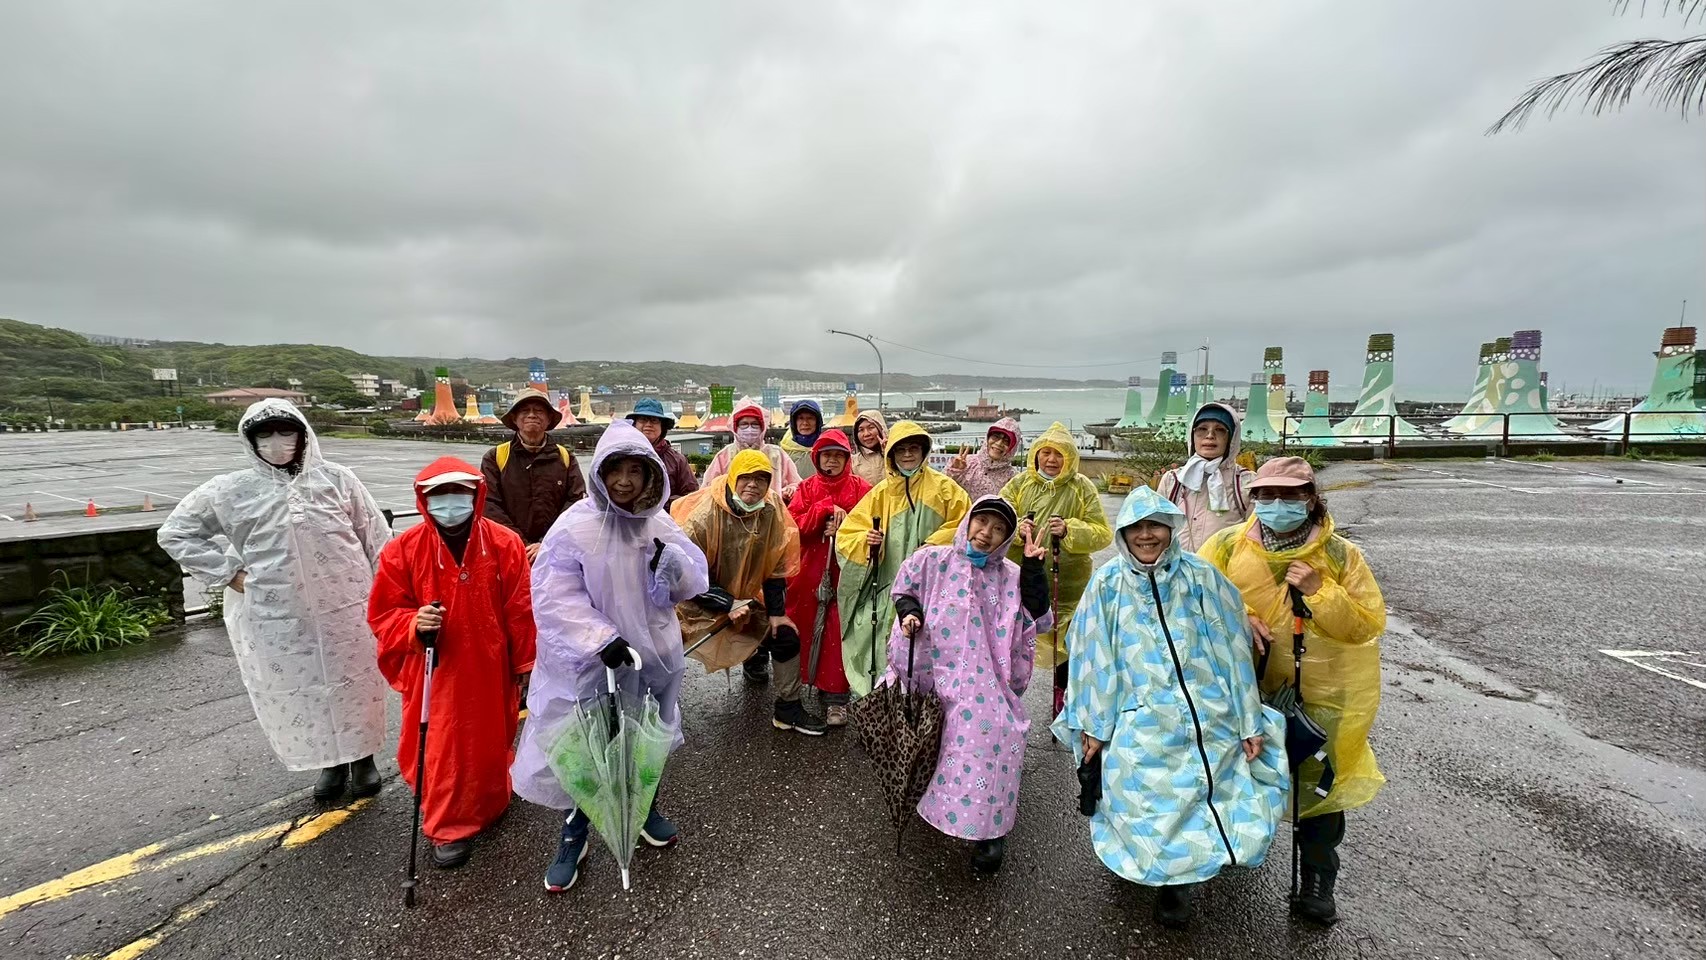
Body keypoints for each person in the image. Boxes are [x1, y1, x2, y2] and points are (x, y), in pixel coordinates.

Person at [1053, 487, 1287, 928]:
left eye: (1155, 526)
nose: (1146, 536)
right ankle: (1158, 875)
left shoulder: (1202, 577)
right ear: (1123, 533)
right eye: (1136, 527)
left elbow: (1233, 650)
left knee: (1208, 793)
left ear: (1170, 528)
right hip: (1139, 714)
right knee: (1147, 800)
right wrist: (1094, 725)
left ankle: (1182, 880)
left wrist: (1247, 718)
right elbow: (1089, 659)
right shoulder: (1106, 585)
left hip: (1206, 710)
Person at [157, 399, 390, 801]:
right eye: (265, 435)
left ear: (303, 436)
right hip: (277, 615)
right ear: (250, 441)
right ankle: (328, 763)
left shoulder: (338, 479)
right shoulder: (230, 490)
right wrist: (230, 575)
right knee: (299, 688)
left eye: (286, 432)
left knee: (356, 681)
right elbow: (176, 532)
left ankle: (363, 758)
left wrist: (391, 593)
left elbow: (376, 536)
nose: (277, 442)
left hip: (348, 605)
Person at [512, 421, 710, 892]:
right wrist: (599, 638)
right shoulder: (574, 526)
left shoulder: (659, 523)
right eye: (614, 469)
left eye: (635, 471)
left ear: (650, 475)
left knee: (645, 742)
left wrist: (672, 567)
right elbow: (554, 594)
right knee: (587, 748)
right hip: (591, 666)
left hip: (652, 659)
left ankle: (644, 810)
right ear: (600, 471)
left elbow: (689, 584)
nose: (624, 481)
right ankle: (574, 833)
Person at [1199, 456, 1385, 926]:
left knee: (1317, 790)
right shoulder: (1224, 545)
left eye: (1289, 495)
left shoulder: (1340, 555)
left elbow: (1365, 625)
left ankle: (1318, 881)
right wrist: (1237, 614)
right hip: (1240, 688)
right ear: (1253, 498)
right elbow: (1196, 600)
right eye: (1266, 495)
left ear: (1310, 499)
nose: (1276, 504)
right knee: (1230, 772)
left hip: (1320, 692)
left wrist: (1322, 591)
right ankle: (1227, 848)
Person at [368, 459, 537, 869]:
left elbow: (521, 607)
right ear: (424, 500)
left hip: (491, 666)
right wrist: (413, 624)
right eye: (439, 494)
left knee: (492, 738)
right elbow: (384, 613)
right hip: (437, 670)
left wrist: (526, 662)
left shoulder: (504, 543)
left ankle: (490, 800)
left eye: (459, 491)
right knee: (442, 746)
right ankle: (448, 825)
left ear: (476, 494)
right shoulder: (401, 550)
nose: (450, 501)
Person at [888, 497, 1050, 873]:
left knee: (994, 739)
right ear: (968, 521)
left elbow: (1038, 618)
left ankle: (989, 832)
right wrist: (910, 614)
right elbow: (904, 590)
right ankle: (929, 802)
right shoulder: (933, 560)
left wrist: (1034, 572)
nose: (986, 533)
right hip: (929, 671)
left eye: (998, 529)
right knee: (925, 739)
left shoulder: (1011, 574)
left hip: (983, 682)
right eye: (982, 522)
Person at [671, 450, 821, 734]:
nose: (753, 484)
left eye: (761, 479)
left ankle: (788, 709)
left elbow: (777, 565)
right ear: (733, 479)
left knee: (785, 635)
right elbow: (683, 574)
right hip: (694, 604)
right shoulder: (704, 516)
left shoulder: (771, 508)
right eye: (746, 478)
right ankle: (654, 710)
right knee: (662, 650)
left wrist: (777, 614)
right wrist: (726, 602)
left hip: (746, 602)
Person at [834, 421, 971, 697]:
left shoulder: (946, 489)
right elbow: (848, 535)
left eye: (913, 448)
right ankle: (884, 708)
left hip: (936, 590)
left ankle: (926, 711)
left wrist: (933, 545)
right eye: (901, 450)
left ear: (923, 451)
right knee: (882, 649)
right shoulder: (881, 494)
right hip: (887, 588)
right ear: (892, 455)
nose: (908, 455)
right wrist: (868, 542)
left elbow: (966, 526)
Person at [996, 421, 1113, 716]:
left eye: (1058, 454)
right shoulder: (1019, 484)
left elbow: (1102, 532)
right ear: (1035, 454)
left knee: (1068, 641)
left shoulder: (1082, 488)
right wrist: (1017, 527)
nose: (1050, 460)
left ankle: (1064, 693)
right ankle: (1004, 691)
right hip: (1020, 577)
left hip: (1069, 583)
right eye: (1045, 453)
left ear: (1069, 457)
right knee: (1014, 634)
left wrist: (1071, 530)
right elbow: (998, 516)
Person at [784, 429, 872, 726]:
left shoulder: (862, 489)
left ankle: (836, 698)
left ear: (848, 459)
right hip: (808, 573)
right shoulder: (806, 489)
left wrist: (845, 530)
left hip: (846, 575)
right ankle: (802, 685)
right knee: (804, 627)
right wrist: (823, 509)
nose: (832, 461)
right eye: (826, 455)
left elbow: (873, 530)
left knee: (838, 632)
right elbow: (794, 529)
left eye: (838, 455)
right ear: (816, 457)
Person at [481, 388, 588, 561]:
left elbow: (576, 502)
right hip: (509, 552)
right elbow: (489, 506)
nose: (532, 415)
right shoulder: (495, 457)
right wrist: (520, 543)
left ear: (548, 420)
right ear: (515, 419)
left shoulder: (565, 457)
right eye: (525, 411)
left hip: (556, 552)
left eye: (538, 411)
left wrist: (546, 542)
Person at [1157, 402, 1254, 552]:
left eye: (1220, 430)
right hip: (1177, 572)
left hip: (1222, 573)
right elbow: (1158, 528)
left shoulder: (1245, 483)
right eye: (1202, 429)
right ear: (1192, 435)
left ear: (1231, 438)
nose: (1210, 436)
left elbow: (1254, 537)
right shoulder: (1173, 480)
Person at [701, 397, 803, 499]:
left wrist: (790, 490)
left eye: (754, 424)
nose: (749, 429)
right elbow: (707, 489)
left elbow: (797, 484)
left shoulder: (777, 454)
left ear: (762, 428)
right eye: (744, 424)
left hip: (772, 511)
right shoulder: (724, 456)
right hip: (732, 513)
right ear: (735, 427)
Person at [625, 397, 697, 509]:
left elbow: (692, 497)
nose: (648, 424)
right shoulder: (621, 456)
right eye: (643, 420)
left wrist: (660, 503)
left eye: (654, 420)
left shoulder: (677, 461)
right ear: (634, 424)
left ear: (662, 427)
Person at [945, 417, 1020, 502]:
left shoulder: (1013, 478)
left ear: (1012, 448)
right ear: (987, 438)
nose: (999, 443)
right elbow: (943, 489)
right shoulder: (966, 462)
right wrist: (954, 471)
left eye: (1006, 441)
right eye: (995, 437)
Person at [779, 399, 825, 481]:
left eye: (810, 418)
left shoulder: (827, 448)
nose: (805, 423)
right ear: (794, 422)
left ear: (818, 422)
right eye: (800, 418)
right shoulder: (782, 453)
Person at [848, 409, 889, 487]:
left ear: (881, 429)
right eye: (861, 430)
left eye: (871, 427)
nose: (866, 434)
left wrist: (888, 452)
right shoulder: (853, 462)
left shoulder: (896, 456)